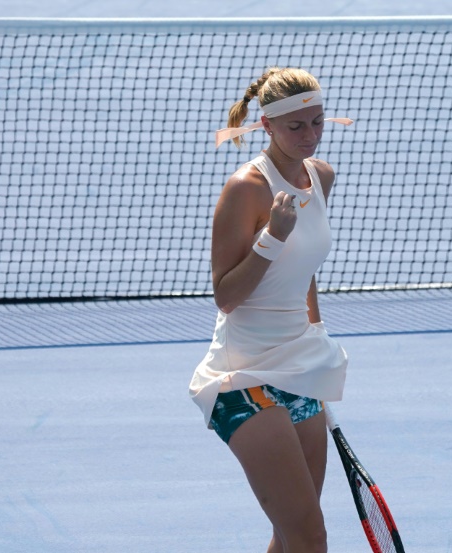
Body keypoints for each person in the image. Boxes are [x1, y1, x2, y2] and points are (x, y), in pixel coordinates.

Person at [189, 67, 353, 553]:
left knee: (290, 538)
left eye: (318, 122)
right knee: (310, 537)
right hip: (241, 378)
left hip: (299, 366)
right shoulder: (246, 188)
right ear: (267, 126)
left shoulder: (321, 177)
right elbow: (226, 295)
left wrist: (315, 330)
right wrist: (272, 237)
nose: (310, 135)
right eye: (296, 126)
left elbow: (302, 269)